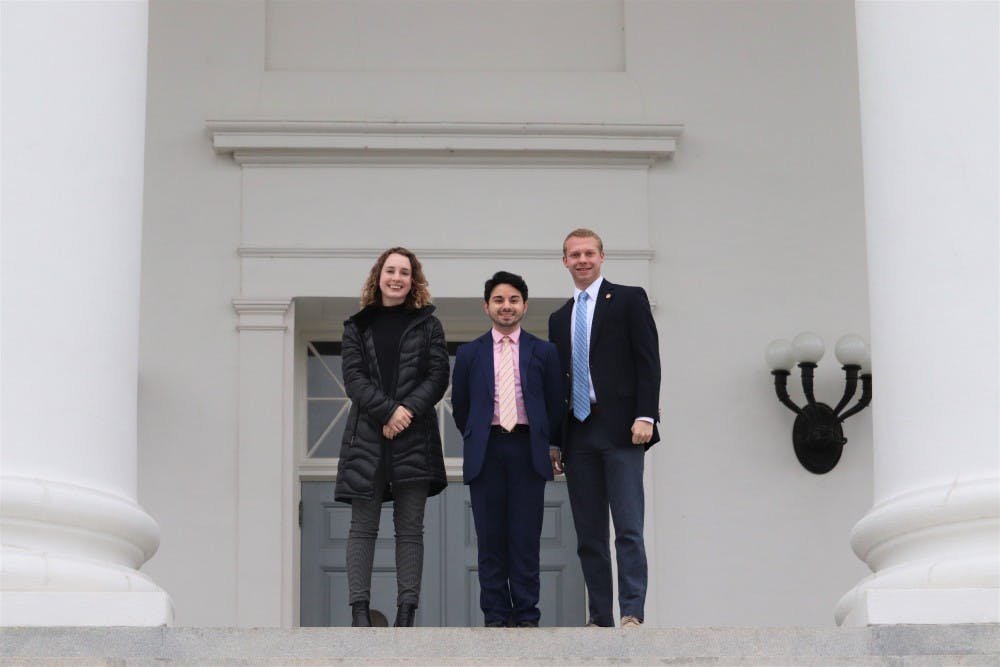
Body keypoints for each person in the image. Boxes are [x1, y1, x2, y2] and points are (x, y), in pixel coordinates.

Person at [547, 229, 661, 628]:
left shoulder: (628, 299)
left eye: (589, 253)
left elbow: (648, 360)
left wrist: (647, 414)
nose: (582, 260)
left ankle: (631, 611)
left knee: (628, 527)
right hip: (577, 432)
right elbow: (557, 382)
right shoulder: (559, 318)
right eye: (574, 254)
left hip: (622, 429)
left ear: (602, 256)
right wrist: (554, 442)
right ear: (564, 261)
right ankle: (599, 616)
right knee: (589, 535)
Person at [335, 247, 449, 628]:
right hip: (367, 437)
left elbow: (437, 376)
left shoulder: (429, 324)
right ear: (378, 276)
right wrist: (387, 412)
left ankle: (405, 613)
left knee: (410, 529)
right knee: (362, 527)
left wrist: (405, 413)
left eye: (404, 272)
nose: (397, 278)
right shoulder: (356, 326)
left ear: (413, 279)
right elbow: (353, 379)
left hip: (414, 436)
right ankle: (359, 612)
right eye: (390, 271)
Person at [451, 271, 564, 628]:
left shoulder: (544, 351)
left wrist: (553, 444)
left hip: (528, 450)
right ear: (487, 306)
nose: (506, 306)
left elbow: (554, 403)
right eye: (499, 300)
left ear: (524, 306)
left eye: (513, 300)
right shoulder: (470, 353)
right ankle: (497, 618)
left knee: (526, 538)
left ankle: (527, 617)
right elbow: (461, 407)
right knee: (491, 541)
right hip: (487, 450)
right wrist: (478, 437)